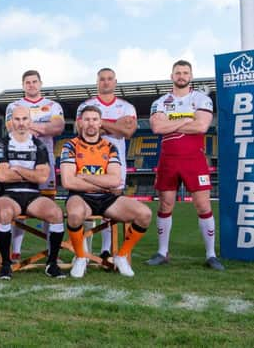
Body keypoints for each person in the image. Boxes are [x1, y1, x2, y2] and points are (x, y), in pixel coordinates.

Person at [146, 60, 224, 271]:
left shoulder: (201, 98)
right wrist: (185, 121)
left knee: (203, 205)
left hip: (194, 158)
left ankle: (211, 255)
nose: (181, 76)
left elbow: (202, 125)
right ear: (172, 76)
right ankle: (162, 253)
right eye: (178, 72)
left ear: (191, 76)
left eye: (185, 72)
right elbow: (156, 127)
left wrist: (171, 124)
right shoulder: (161, 101)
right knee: (165, 205)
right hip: (168, 158)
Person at [61, 105, 152, 278]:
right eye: (87, 119)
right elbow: (68, 181)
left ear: (100, 123)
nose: (91, 123)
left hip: (107, 198)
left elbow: (115, 180)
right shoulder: (70, 146)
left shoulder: (109, 147)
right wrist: (102, 184)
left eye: (95, 120)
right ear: (80, 123)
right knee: (74, 215)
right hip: (81, 197)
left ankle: (121, 255)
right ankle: (81, 257)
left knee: (144, 214)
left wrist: (84, 177)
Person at [0, 106, 66, 280]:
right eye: (17, 119)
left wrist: (17, 168)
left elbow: (42, 177)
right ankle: (6, 264)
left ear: (30, 121)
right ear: (11, 122)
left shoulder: (38, 144)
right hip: (9, 195)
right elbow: (2, 176)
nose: (21, 123)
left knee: (56, 214)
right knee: (4, 213)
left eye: (25, 119)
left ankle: (52, 264)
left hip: (33, 195)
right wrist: (29, 173)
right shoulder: (2, 143)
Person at [76, 68, 137, 260]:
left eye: (109, 79)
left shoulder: (126, 107)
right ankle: (85, 251)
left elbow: (128, 132)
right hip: (90, 160)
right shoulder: (86, 105)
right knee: (87, 203)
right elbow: (82, 131)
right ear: (97, 82)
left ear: (115, 82)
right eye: (102, 79)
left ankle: (106, 249)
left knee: (111, 206)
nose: (106, 82)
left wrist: (100, 125)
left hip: (115, 163)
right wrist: (116, 125)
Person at [4, 70, 64, 263]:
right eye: (27, 82)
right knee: (17, 206)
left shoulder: (53, 106)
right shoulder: (14, 106)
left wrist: (29, 127)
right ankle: (16, 251)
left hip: (44, 161)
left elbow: (57, 128)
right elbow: (11, 128)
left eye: (34, 81)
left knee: (49, 205)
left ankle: (50, 251)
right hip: (18, 160)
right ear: (23, 85)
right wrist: (42, 127)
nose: (31, 85)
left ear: (40, 83)